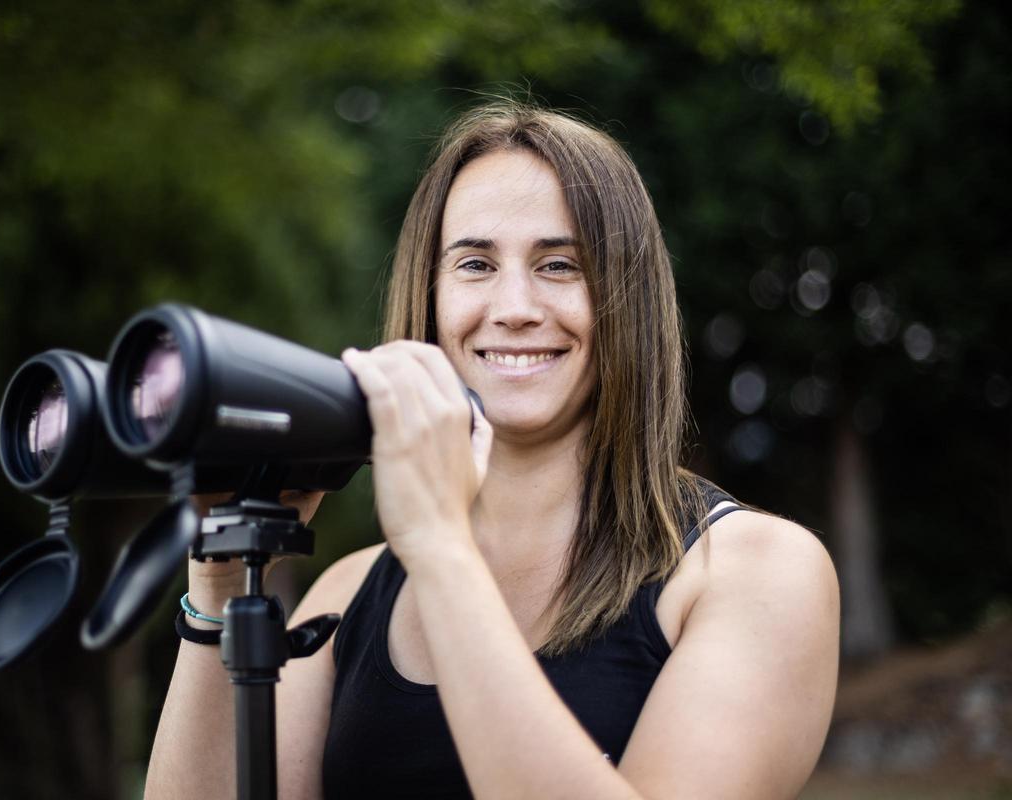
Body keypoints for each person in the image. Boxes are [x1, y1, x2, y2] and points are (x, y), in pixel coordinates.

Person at [144, 102, 840, 799]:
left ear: (627, 300)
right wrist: (220, 578)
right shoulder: (349, 596)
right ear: (431, 297)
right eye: (475, 263)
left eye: (561, 264)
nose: (514, 307)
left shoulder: (755, 573)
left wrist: (441, 549)